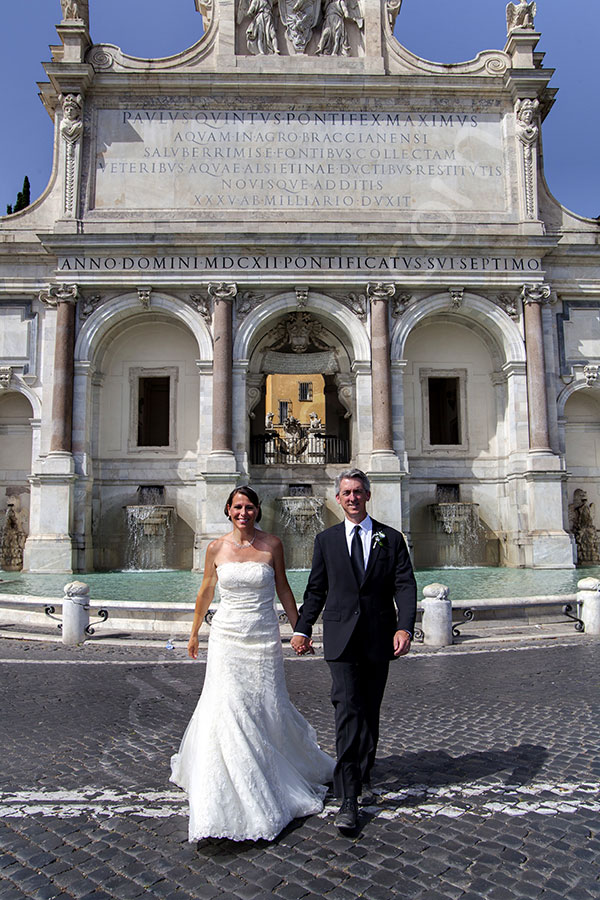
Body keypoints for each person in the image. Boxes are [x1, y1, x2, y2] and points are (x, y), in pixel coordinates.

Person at [170, 486, 334, 842]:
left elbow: (284, 589)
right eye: (237, 507)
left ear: (257, 510)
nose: (243, 513)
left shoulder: (272, 544)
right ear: (228, 510)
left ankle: (270, 765)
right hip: (227, 638)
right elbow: (205, 592)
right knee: (226, 707)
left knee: (266, 705)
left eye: (249, 507)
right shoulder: (215, 547)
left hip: (262, 638)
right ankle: (225, 786)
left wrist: (300, 628)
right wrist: (194, 632)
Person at [291, 469, 417, 831]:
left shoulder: (390, 539)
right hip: (341, 638)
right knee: (347, 710)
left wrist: (404, 626)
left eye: (358, 492)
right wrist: (302, 627)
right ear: (338, 498)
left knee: (369, 711)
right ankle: (348, 798)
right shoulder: (326, 540)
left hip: (379, 638)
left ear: (368, 495)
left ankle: (363, 775)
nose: (352, 497)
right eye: (346, 492)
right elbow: (316, 589)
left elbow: (405, 585)